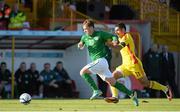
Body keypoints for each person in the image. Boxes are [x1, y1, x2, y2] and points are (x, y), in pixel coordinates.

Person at [104, 23, 172, 103]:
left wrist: (109, 44)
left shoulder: (127, 36)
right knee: (112, 77)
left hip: (134, 65)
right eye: (115, 31)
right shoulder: (119, 38)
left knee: (145, 83)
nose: (116, 32)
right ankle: (115, 97)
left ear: (123, 30)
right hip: (125, 65)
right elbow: (114, 42)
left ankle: (165, 89)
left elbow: (119, 47)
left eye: (117, 30)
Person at [78, 19, 139, 106]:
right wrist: (80, 44)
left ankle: (96, 90)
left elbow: (113, 36)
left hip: (102, 60)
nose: (85, 31)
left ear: (91, 28)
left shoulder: (100, 34)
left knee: (82, 72)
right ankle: (132, 94)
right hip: (98, 63)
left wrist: (114, 40)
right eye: (84, 29)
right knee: (113, 82)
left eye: (86, 29)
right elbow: (81, 42)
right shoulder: (84, 37)